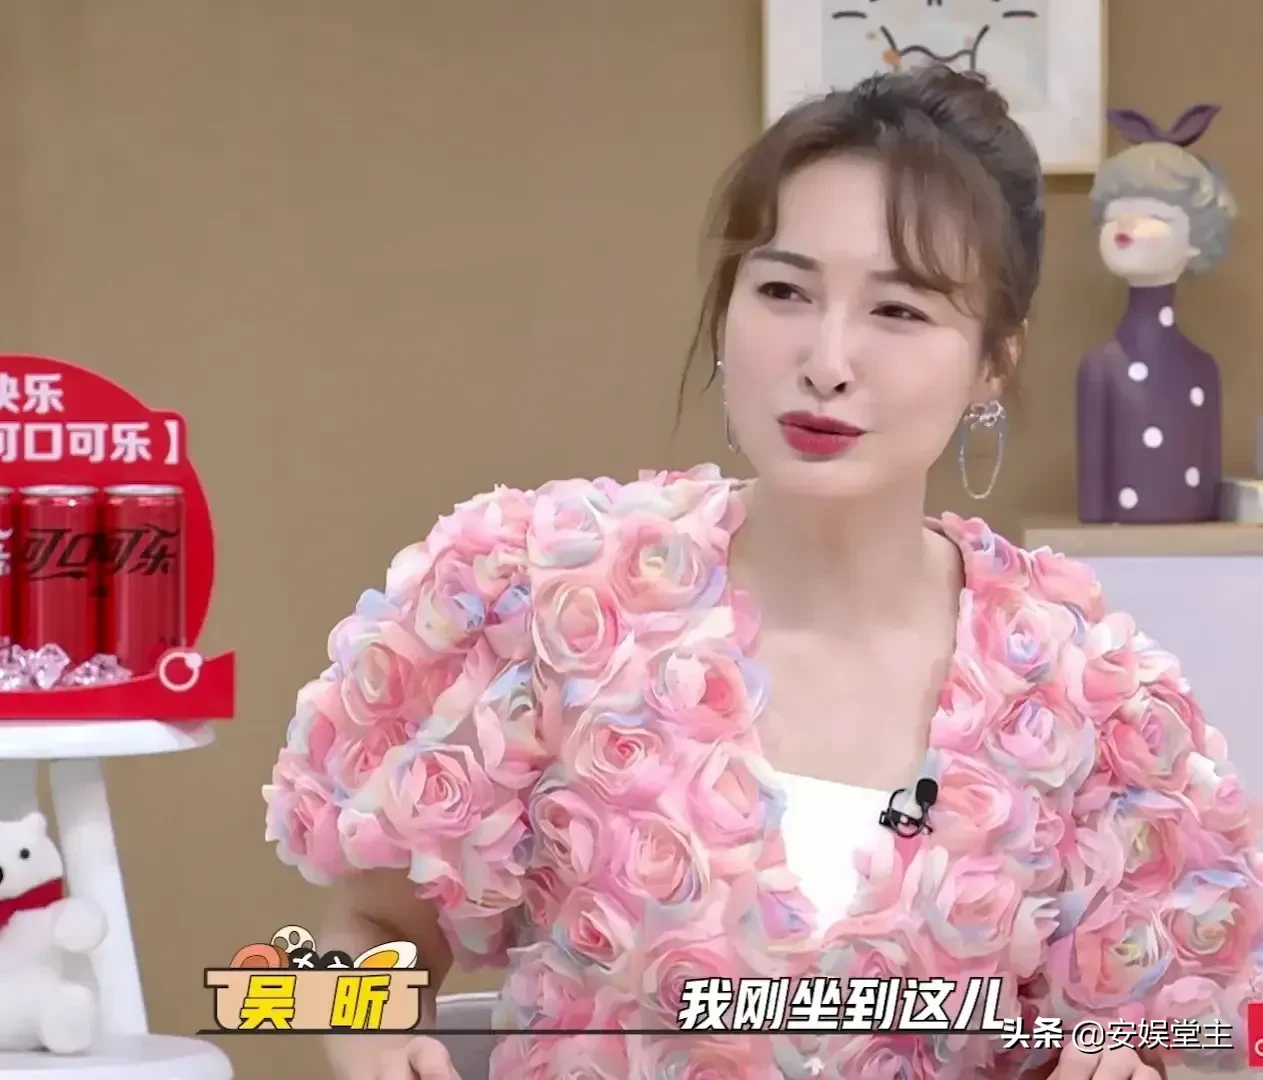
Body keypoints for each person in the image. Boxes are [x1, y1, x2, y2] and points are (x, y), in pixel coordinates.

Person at [263, 65, 1263, 1080]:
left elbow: (1168, 1038)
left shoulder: (1088, 694)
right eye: (784, 291)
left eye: (898, 310)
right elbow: (364, 927)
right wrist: (361, 1024)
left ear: (994, 360)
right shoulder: (544, 594)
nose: (827, 360)